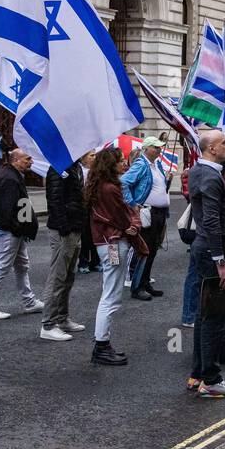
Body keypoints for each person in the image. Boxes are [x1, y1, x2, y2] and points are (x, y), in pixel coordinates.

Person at [186, 130, 225, 395]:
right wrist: (220, 261)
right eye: (223, 143)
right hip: (213, 251)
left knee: (203, 312)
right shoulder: (209, 176)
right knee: (215, 316)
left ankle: (198, 373)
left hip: (205, 249)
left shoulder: (201, 170)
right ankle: (211, 379)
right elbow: (210, 220)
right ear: (211, 150)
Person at [87, 148, 140, 367]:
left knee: (110, 294)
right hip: (113, 244)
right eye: (119, 161)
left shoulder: (99, 185)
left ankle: (103, 344)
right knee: (111, 296)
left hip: (108, 243)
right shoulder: (110, 188)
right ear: (110, 164)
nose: (123, 164)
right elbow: (122, 216)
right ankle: (101, 345)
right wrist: (132, 225)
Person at [0, 148, 44, 321]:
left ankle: (28, 301)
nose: (31, 162)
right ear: (16, 160)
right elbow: (9, 209)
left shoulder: (11, 175)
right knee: (1, 266)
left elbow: (19, 204)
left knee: (22, 265)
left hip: (14, 230)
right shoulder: (9, 178)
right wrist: (19, 228)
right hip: (9, 231)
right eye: (27, 159)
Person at [40, 156, 88, 341]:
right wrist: (64, 227)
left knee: (68, 276)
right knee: (58, 277)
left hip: (74, 226)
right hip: (64, 230)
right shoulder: (58, 167)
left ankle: (62, 318)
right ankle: (48, 324)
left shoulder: (75, 167)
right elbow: (54, 199)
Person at [122, 138, 169, 301]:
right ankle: (137, 286)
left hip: (159, 213)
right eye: (155, 147)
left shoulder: (157, 165)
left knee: (153, 249)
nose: (159, 149)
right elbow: (123, 183)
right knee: (144, 250)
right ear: (146, 148)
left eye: (159, 147)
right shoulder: (141, 164)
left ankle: (145, 282)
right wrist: (132, 203)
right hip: (148, 212)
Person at [76, 149, 101, 273]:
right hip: (84, 208)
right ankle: (83, 262)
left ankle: (95, 262)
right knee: (85, 236)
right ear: (84, 158)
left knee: (95, 235)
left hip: (95, 207)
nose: (94, 158)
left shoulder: (96, 172)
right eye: (92, 155)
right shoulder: (79, 171)